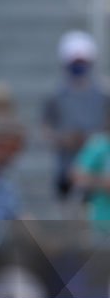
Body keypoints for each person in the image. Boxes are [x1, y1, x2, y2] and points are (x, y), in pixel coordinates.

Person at [43, 30, 110, 205]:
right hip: (66, 166)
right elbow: (46, 128)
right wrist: (64, 139)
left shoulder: (103, 94)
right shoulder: (55, 95)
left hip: (96, 170)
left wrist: (95, 138)